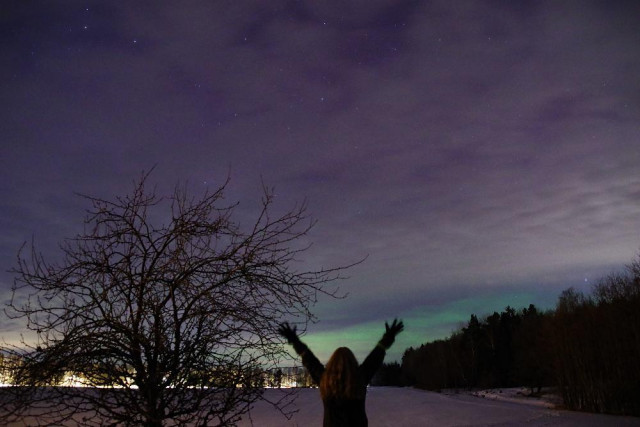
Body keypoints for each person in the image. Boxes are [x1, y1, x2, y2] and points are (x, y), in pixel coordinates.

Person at [278, 319, 404, 427]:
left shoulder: (325, 380)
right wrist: (387, 338)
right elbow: (375, 358)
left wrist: (294, 340)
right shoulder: (359, 379)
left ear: (332, 362)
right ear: (353, 362)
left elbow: (308, 358)